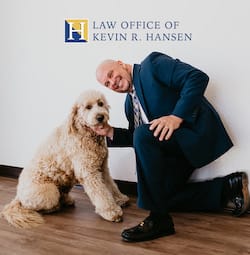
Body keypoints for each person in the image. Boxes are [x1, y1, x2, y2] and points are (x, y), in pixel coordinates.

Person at [94, 51, 249, 242]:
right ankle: (227, 187)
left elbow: (197, 77)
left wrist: (176, 117)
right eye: (107, 84)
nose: (113, 83)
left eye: (111, 74)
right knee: (162, 196)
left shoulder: (151, 65)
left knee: (143, 134)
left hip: (194, 135)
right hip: (175, 150)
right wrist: (110, 132)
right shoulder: (129, 104)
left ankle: (158, 219)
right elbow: (139, 139)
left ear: (120, 63)